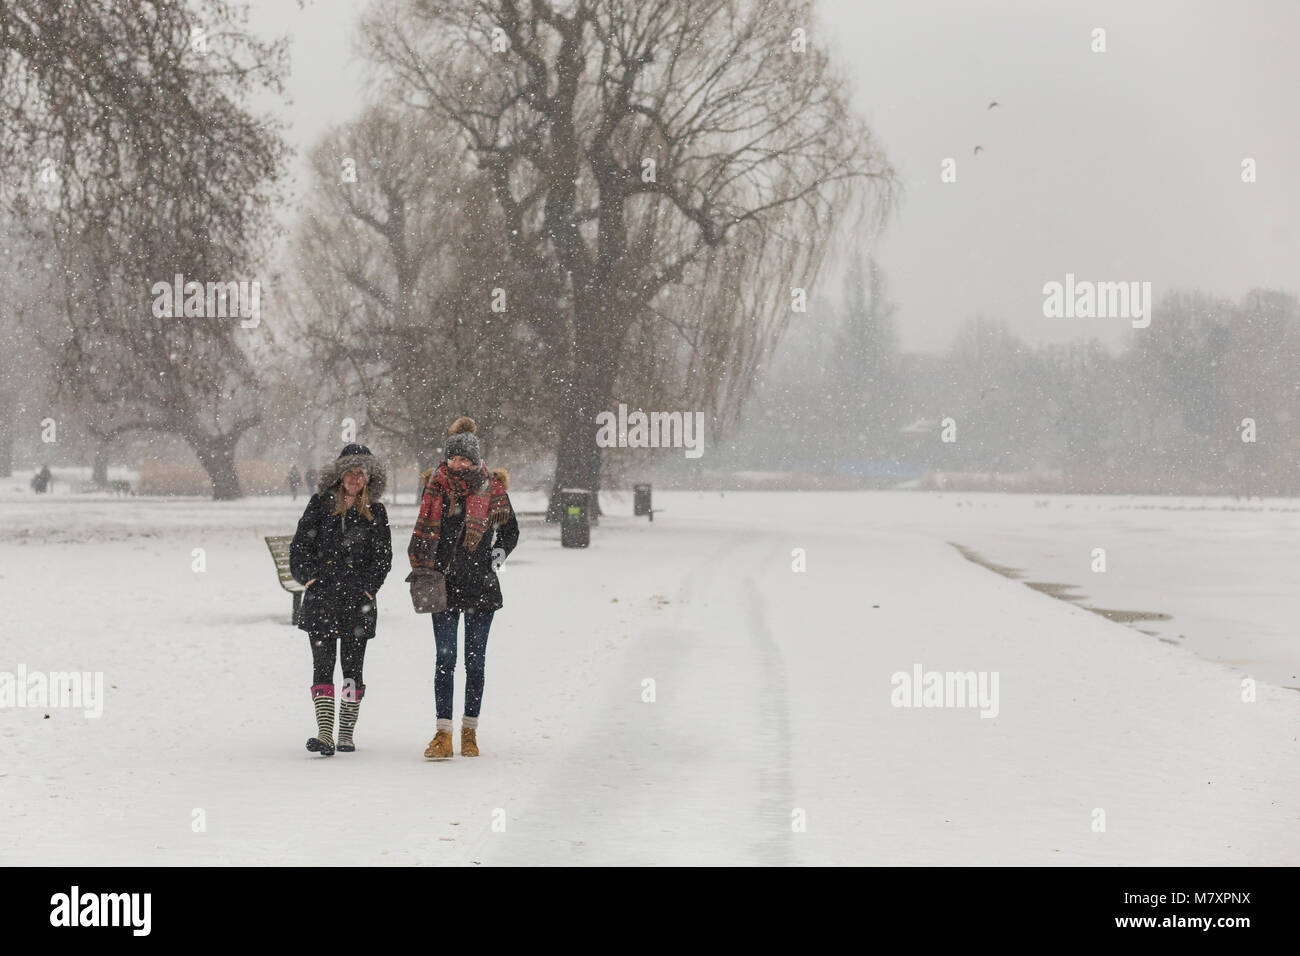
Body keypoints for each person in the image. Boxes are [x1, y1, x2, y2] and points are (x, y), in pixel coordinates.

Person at [408, 417, 518, 759]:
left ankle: (469, 732)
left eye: (466, 458)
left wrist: (493, 559)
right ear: (447, 458)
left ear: (475, 459)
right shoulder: (435, 487)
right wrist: (426, 567)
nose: (459, 464)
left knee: (475, 662)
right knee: (445, 660)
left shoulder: (492, 487)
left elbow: (510, 532)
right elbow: (423, 533)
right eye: (454, 458)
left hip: (481, 589)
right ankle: (442, 734)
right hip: (443, 587)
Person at [290, 444, 392, 756]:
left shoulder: (376, 511)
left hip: (357, 602)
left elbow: (383, 558)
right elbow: (300, 547)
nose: (354, 477)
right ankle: (325, 733)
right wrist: (308, 577)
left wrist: (368, 588)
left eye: (360, 472)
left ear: (368, 476)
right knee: (323, 666)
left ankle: (345, 732)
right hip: (322, 598)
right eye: (349, 471)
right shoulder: (320, 504)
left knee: (352, 667)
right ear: (339, 474)